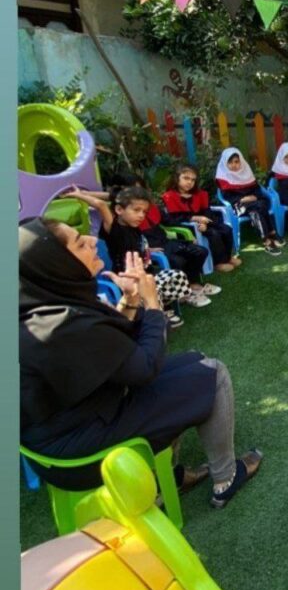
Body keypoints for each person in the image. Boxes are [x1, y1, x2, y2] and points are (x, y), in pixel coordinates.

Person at [19, 218, 263, 508]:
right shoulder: (60, 324)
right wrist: (153, 303)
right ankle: (226, 478)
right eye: (80, 243)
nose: (93, 241)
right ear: (55, 264)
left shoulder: (43, 306)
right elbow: (144, 369)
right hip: (77, 453)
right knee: (214, 374)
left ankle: (167, 478)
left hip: (78, 421)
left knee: (196, 360)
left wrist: (131, 298)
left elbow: (108, 348)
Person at [65, 185, 201, 325]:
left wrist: (148, 249)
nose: (141, 215)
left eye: (144, 211)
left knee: (177, 275)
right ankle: (156, 315)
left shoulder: (134, 227)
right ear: (119, 210)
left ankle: (165, 304)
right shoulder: (114, 228)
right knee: (152, 288)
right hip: (128, 281)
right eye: (136, 210)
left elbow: (138, 243)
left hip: (145, 275)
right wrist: (79, 194)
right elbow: (101, 205)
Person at [161, 163, 242, 272]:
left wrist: (204, 222)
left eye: (193, 180)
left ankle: (228, 257)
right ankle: (219, 262)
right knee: (214, 234)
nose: (189, 182)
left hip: (204, 222)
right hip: (188, 226)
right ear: (176, 178)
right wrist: (195, 219)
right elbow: (175, 217)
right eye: (186, 178)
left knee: (226, 229)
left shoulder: (200, 194)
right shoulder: (170, 196)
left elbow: (206, 211)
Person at [215, 147, 283, 256]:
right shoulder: (223, 178)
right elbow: (227, 197)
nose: (234, 165)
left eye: (236, 162)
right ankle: (270, 235)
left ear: (241, 161)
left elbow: (257, 190)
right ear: (225, 163)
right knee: (258, 207)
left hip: (254, 203)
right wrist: (243, 199)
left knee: (257, 209)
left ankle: (267, 239)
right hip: (239, 206)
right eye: (230, 162)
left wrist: (254, 197)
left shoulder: (246, 173)